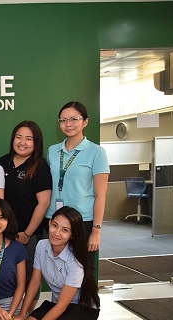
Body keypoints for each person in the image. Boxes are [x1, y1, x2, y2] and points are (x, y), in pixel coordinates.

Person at [18, 206, 100, 320]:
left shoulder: (75, 260)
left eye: (65, 230)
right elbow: (34, 283)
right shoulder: (42, 246)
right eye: (55, 226)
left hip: (81, 308)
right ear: (49, 223)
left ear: (72, 235)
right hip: (57, 304)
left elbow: (63, 305)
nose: (56, 233)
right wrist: (22, 313)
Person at [45, 101, 109, 271]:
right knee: (56, 269)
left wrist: (96, 230)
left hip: (83, 221)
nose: (68, 124)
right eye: (63, 120)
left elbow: (100, 195)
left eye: (74, 119)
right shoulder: (52, 151)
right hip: (54, 219)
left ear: (85, 122)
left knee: (83, 270)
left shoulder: (96, 152)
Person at [0, 121, 51, 311]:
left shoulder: (40, 167)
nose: (22, 142)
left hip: (29, 235)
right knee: (6, 275)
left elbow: (43, 203)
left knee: (29, 277)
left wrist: (27, 233)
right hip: (3, 233)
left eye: (28, 138)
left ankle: (26, 315)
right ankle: (8, 313)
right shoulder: (3, 162)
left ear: (36, 142)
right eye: (18, 137)